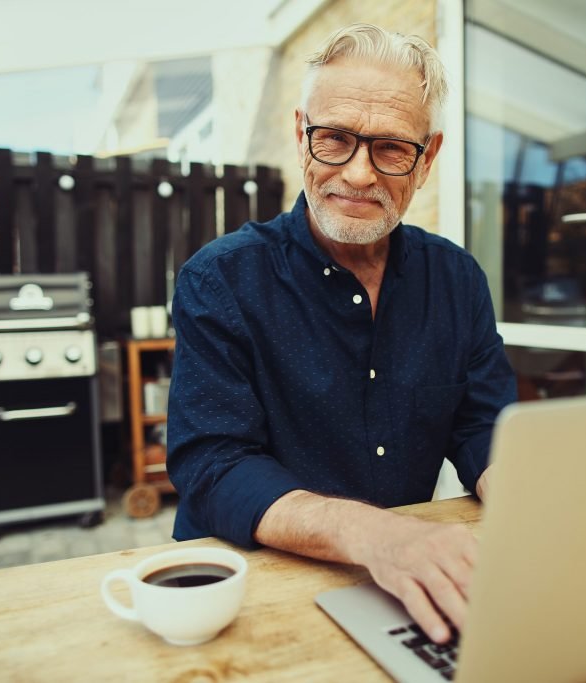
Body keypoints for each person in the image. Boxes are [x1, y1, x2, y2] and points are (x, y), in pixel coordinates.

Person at [166, 23, 516, 644]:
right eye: (334, 139)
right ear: (301, 133)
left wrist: (525, 497)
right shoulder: (220, 278)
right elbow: (213, 464)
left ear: (427, 157)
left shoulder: (457, 279)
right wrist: (375, 535)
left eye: (390, 149)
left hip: (401, 589)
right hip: (247, 596)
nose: (358, 174)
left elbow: (482, 425)